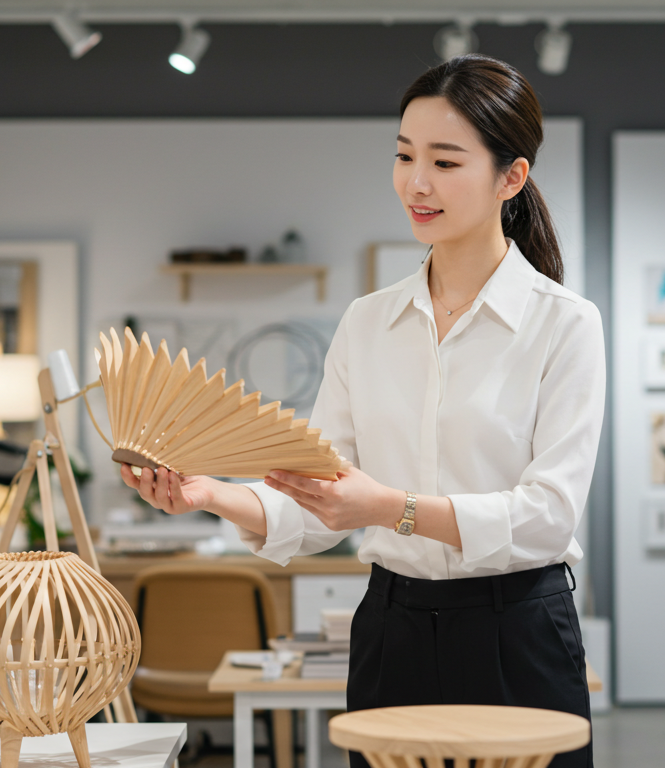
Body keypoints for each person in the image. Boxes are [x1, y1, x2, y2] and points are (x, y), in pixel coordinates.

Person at [122, 54, 605, 767]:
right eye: (405, 155)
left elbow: (547, 516)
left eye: (445, 161)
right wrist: (206, 494)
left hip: (518, 636)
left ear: (512, 177)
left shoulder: (564, 323)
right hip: (393, 633)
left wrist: (390, 508)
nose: (416, 182)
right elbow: (322, 496)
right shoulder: (367, 322)